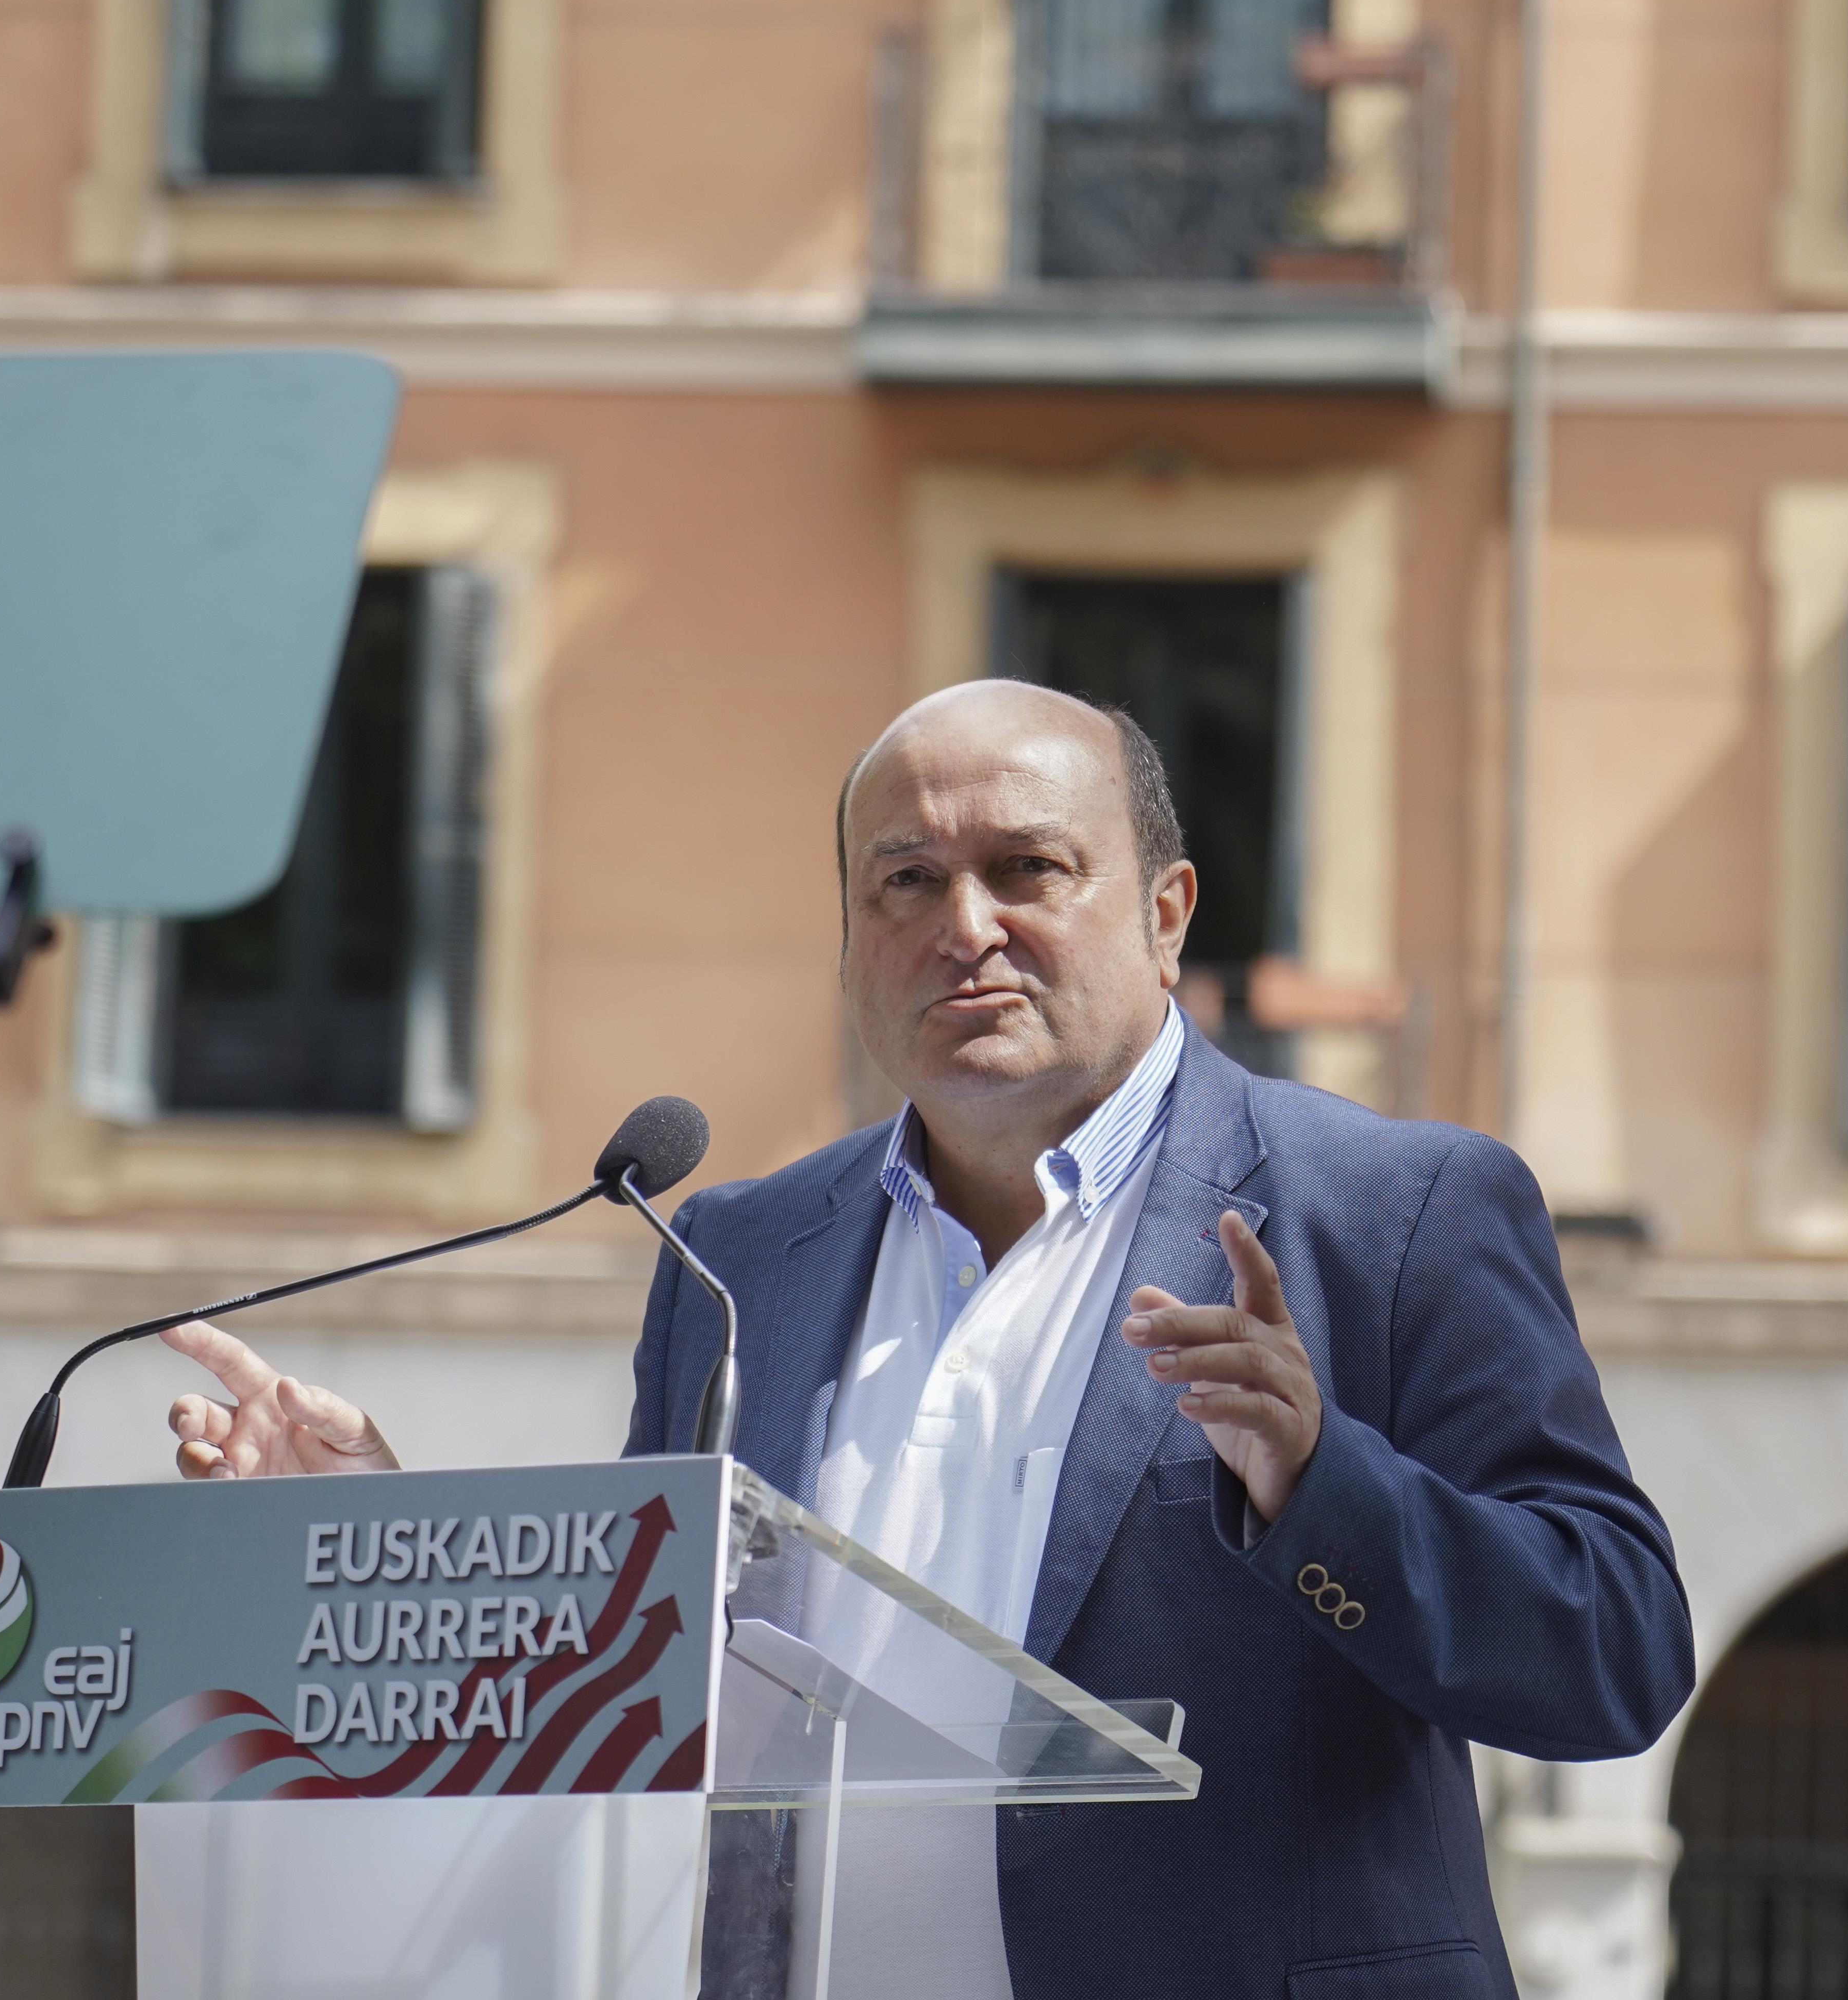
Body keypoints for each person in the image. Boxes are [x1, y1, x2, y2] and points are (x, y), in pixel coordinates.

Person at [164, 679, 1696, 1999]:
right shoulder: (738, 1253)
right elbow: (646, 1690)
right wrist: (378, 1531)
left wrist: (1320, 1483)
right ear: (850, 942)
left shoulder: (1394, 1210)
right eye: (904, 882)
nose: (966, 928)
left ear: (1166, 915)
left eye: (1028, 868)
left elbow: (1614, 1656)